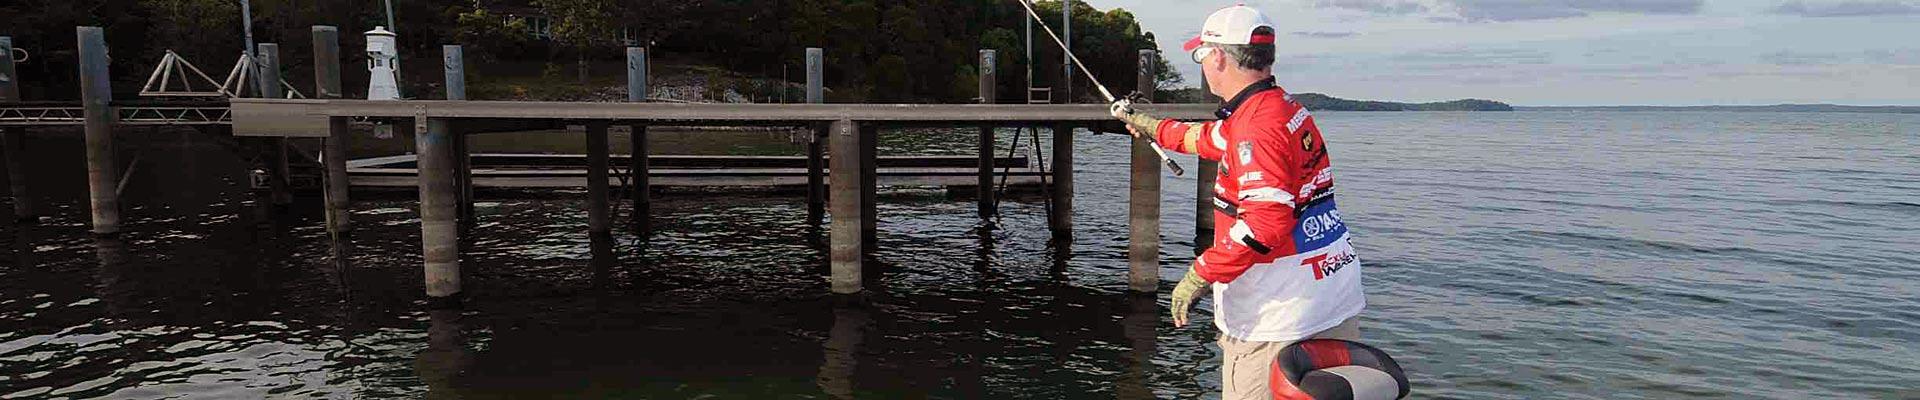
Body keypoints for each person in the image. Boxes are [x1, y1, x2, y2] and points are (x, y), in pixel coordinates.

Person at [1109, 5, 1367, 399]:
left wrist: (1199, 273)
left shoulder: (1256, 127)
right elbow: (1209, 138)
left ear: (1218, 56)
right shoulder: (1281, 108)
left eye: (1200, 55)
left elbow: (1265, 225)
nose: (1203, 64)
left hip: (1277, 318)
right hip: (1330, 298)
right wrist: (1152, 127)